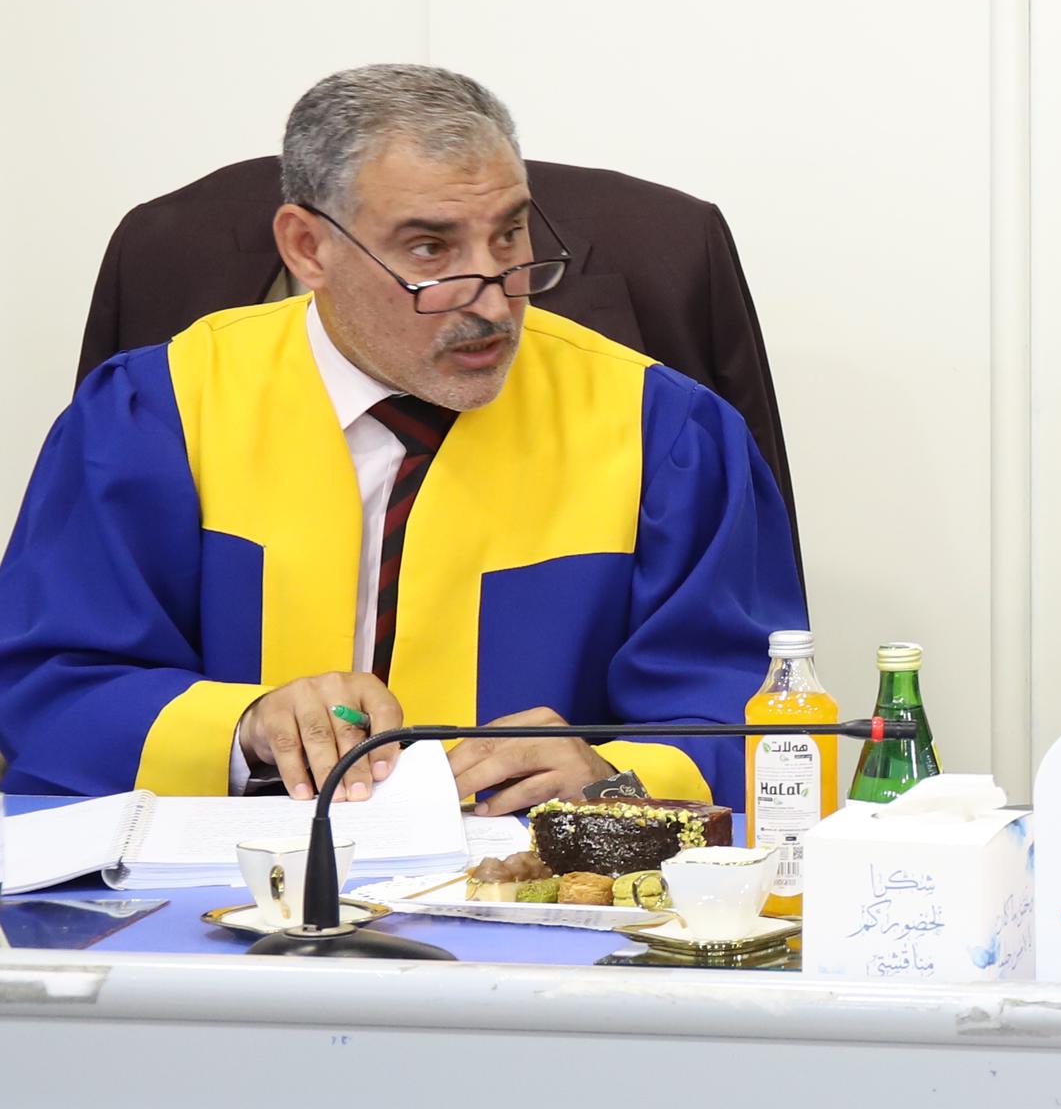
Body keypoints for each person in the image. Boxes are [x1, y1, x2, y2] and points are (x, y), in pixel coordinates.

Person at [0, 67, 804, 809]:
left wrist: (616, 779)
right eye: (431, 249)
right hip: (224, 885)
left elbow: (758, 723)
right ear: (308, 247)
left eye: (510, 237)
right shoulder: (160, 413)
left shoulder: (662, 433)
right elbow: (47, 685)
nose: (493, 301)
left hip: (537, 891)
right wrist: (244, 729)